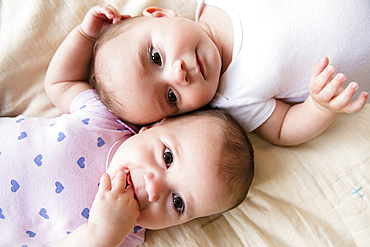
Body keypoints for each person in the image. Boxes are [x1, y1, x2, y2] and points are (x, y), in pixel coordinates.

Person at [0, 5, 254, 247]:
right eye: (167, 157)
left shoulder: (124, 234)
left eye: (178, 203)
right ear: (154, 126)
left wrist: (99, 234)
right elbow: (60, 83)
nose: (153, 188)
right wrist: (85, 35)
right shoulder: (106, 120)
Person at [89, 1, 370, 146]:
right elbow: (284, 129)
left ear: (161, 15)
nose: (178, 75)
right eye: (172, 97)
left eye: (156, 57)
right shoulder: (233, 99)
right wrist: (319, 106)